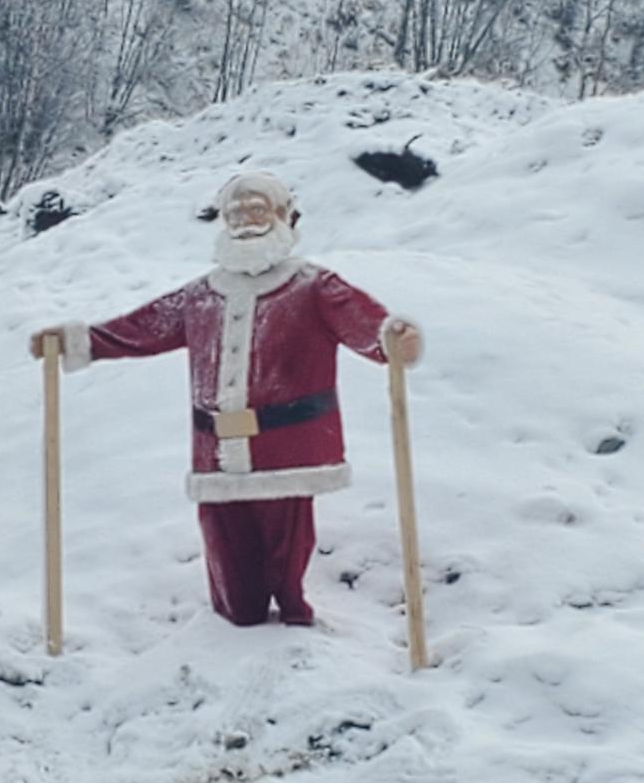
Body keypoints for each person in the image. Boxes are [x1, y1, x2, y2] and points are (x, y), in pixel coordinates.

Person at [30, 172, 422, 628]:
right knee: (227, 550)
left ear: (282, 216)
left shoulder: (313, 285)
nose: (246, 221)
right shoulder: (200, 296)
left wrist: (389, 338)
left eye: (258, 210)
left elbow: (365, 324)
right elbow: (140, 329)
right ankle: (235, 624)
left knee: (286, 547)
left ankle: (295, 625)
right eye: (236, 213)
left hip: (287, 454)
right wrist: (76, 341)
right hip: (215, 455)